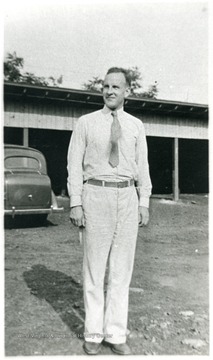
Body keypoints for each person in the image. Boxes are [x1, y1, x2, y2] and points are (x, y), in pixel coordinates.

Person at [67, 67, 152, 355]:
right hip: (96, 195)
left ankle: (115, 334)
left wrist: (144, 202)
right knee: (94, 269)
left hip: (127, 196)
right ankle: (92, 333)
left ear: (127, 91)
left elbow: (143, 166)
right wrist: (76, 202)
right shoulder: (86, 123)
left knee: (121, 271)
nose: (110, 91)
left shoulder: (136, 125)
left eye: (116, 87)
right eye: (105, 86)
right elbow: (74, 165)